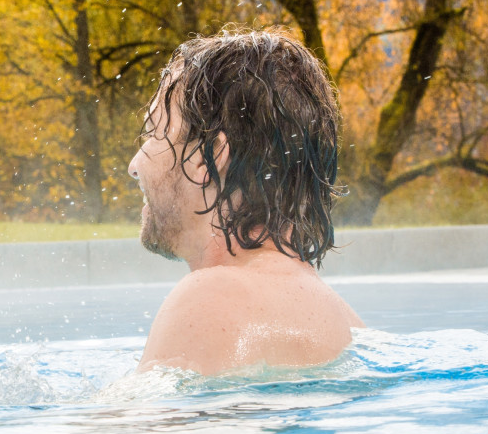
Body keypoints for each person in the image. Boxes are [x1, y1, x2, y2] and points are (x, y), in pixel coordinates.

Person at [128, 28, 362, 373]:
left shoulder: (210, 301)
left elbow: (142, 426)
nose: (135, 166)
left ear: (207, 159)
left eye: (152, 134)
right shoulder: (347, 323)